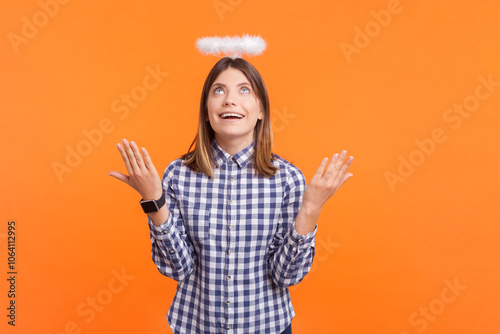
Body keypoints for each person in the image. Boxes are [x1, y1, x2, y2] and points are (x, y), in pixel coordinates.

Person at [109, 57, 354, 334]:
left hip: (268, 327)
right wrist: (154, 200)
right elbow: (177, 269)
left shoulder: (288, 178)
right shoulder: (177, 175)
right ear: (206, 111)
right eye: (219, 90)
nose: (230, 100)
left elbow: (286, 275)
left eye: (244, 89)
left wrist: (311, 208)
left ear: (261, 109)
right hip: (194, 326)